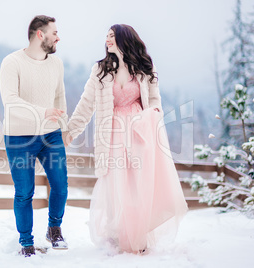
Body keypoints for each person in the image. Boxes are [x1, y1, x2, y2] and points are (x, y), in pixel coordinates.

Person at [65, 24, 188, 254]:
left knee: (137, 184)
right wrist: (71, 132)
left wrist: (153, 121)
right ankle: (118, 234)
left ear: (124, 39)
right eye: (106, 36)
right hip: (111, 132)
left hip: (138, 133)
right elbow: (86, 104)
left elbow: (155, 102)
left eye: (112, 36)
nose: (107, 40)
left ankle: (138, 236)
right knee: (114, 181)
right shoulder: (100, 70)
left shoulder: (144, 69)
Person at [0, 15, 69, 257]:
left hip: (51, 135)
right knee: (24, 192)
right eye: (54, 32)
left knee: (60, 186)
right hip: (19, 137)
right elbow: (10, 102)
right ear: (40, 35)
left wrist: (65, 126)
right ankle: (26, 243)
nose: (58, 37)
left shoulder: (56, 64)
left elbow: (59, 96)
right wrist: (43, 112)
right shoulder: (12, 62)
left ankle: (54, 229)